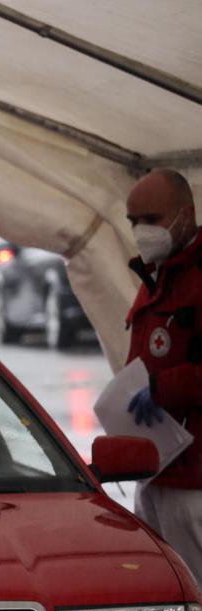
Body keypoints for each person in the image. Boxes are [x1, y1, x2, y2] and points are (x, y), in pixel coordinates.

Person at [122, 169, 202, 578]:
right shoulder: (156, 275)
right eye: (133, 221)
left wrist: (162, 388)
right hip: (156, 469)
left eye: (150, 219)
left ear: (185, 216)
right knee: (162, 587)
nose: (140, 231)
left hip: (194, 479)